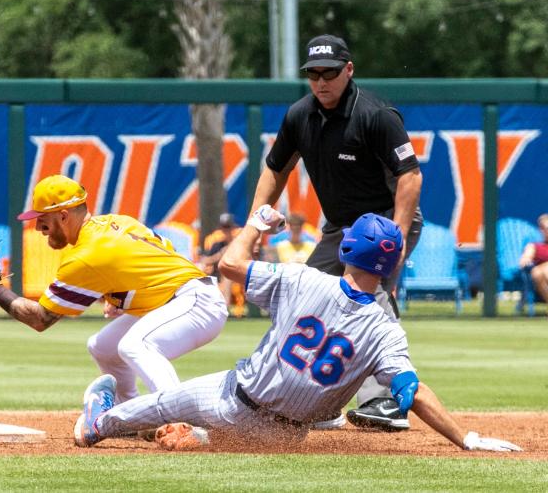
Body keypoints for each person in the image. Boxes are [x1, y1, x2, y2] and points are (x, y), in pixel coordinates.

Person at [73, 207, 522, 454]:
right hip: (287, 437)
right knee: (227, 434)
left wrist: (256, 226)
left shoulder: (303, 278)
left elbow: (229, 265)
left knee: (153, 407)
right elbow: (412, 392)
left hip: (232, 399)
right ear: (392, 263)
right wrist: (466, 438)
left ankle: (98, 423)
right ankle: (201, 439)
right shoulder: (387, 332)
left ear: (346, 248)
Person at [249, 34, 423, 431]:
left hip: (385, 221)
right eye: (313, 74)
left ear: (349, 69)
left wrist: (394, 237)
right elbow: (276, 168)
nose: (321, 81)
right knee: (306, 296)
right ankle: (315, 401)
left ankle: (386, 401)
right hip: (341, 228)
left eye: (329, 72)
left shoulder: (376, 115)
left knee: (368, 297)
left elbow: (410, 176)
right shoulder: (299, 115)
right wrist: (257, 218)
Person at [0, 174, 228, 403]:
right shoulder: (117, 222)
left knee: (135, 345)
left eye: (43, 220)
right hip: (180, 297)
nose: (38, 228)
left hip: (197, 303)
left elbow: (40, 319)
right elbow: (165, 250)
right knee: (103, 346)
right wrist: (122, 290)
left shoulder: (86, 255)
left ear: (64, 216)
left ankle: (178, 416)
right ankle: (129, 410)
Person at [198, 213, 246, 318]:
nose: (226, 231)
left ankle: (225, 309)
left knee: (227, 277)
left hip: (237, 277)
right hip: (218, 276)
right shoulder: (218, 244)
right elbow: (205, 260)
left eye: (228, 227)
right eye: (224, 228)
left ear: (233, 227)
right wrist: (220, 254)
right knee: (200, 269)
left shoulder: (239, 243)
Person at [519, 213, 548, 309]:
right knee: (536, 272)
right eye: (545, 228)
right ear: (541, 230)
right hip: (540, 278)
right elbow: (524, 260)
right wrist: (526, 259)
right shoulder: (534, 246)